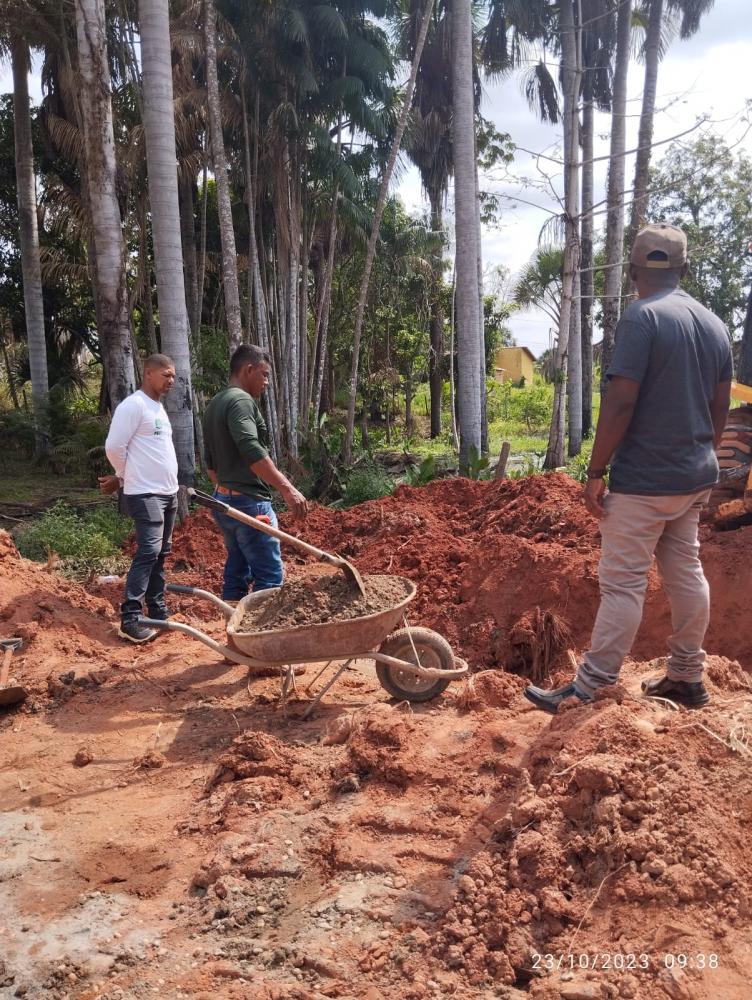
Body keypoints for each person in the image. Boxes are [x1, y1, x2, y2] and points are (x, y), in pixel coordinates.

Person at [525, 223, 732, 714]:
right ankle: (686, 675)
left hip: (644, 481)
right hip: (693, 476)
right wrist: (703, 451)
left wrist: (595, 471)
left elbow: (620, 403)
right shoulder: (714, 323)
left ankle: (592, 684)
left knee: (623, 582)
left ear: (634, 270)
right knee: (686, 569)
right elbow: (720, 404)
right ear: (683, 268)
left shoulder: (643, 318)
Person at [202, 344, 307, 601]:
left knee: (237, 571)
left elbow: (210, 463)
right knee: (269, 577)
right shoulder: (240, 401)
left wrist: (225, 491)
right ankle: (261, 638)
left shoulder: (216, 402)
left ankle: (233, 631)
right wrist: (287, 488)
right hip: (249, 504)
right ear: (249, 370)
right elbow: (250, 447)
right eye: (264, 374)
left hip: (225, 502)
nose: (267, 382)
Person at [100, 354, 179, 644]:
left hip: (167, 492)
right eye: (166, 375)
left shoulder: (157, 407)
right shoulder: (133, 406)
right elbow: (114, 446)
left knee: (161, 554)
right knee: (148, 551)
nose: (171, 380)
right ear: (148, 373)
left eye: (173, 376)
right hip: (145, 492)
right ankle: (130, 619)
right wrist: (122, 476)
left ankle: (157, 610)